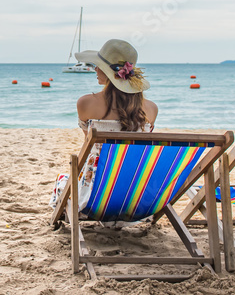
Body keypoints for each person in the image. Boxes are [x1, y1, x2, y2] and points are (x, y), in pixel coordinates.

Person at [50, 39, 156, 212]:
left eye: (98, 66)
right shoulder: (151, 109)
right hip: (135, 198)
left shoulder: (86, 104)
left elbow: (87, 146)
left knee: (63, 181)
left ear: (109, 73)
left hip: (93, 197)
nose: (95, 69)